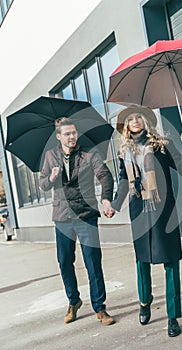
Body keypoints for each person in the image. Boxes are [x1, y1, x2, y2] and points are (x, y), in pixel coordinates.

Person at [107, 106, 182, 337]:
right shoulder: (124, 152)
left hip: (164, 210)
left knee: (171, 261)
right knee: (141, 260)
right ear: (126, 126)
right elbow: (124, 183)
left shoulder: (162, 145)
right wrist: (114, 206)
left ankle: (173, 316)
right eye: (130, 119)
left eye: (138, 117)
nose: (134, 121)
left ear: (145, 121)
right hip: (139, 211)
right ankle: (145, 301)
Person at [39, 117, 115, 326]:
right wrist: (52, 178)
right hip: (62, 217)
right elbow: (42, 185)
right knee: (64, 262)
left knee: (93, 262)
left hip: (85, 215)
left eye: (74, 133)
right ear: (58, 136)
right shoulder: (49, 156)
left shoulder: (89, 153)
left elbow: (104, 175)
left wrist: (106, 199)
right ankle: (73, 301)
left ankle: (100, 308)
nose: (72, 136)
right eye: (67, 134)